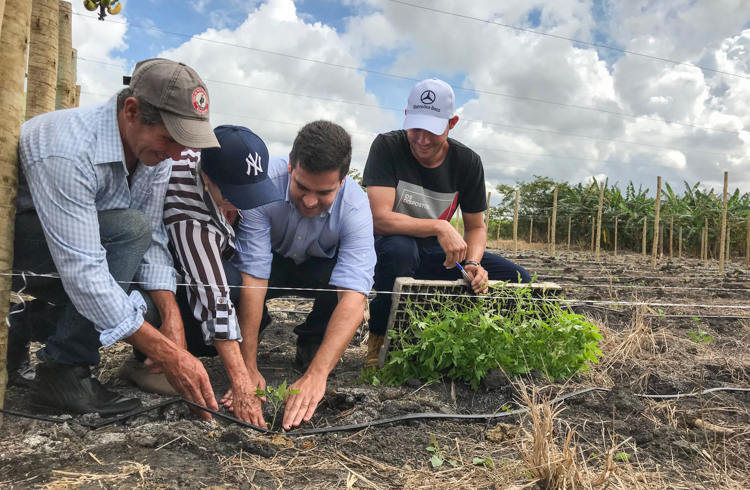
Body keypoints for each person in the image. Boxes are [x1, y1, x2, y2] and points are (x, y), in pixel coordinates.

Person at [7, 58, 221, 418]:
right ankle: (63, 372)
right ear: (132, 111)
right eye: (169, 138)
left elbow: (154, 238)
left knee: (149, 307)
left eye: (185, 142)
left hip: (71, 250)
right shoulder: (70, 148)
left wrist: (172, 321)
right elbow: (84, 271)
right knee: (129, 230)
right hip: (16, 244)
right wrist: (169, 355)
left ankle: (19, 323)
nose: (176, 154)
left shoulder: (155, 156)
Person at [119, 125, 283, 427]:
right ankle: (146, 361)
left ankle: (177, 353)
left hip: (171, 264)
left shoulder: (200, 157)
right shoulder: (187, 210)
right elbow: (213, 298)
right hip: (133, 270)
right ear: (207, 178)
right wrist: (241, 381)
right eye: (235, 194)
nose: (244, 202)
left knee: (234, 283)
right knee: (224, 289)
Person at [362, 78, 531, 368]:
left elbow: (476, 227)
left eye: (432, 130)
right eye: (415, 128)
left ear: (452, 123)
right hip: (388, 247)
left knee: (518, 279)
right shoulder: (387, 147)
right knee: (401, 251)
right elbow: (379, 219)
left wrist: (474, 263)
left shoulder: (467, 162)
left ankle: (474, 343)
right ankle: (380, 337)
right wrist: (439, 226)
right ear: (406, 116)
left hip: (435, 253)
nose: (422, 139)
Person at [221, 120, 376, 430]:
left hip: (320, 267)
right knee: (235, 280)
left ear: (342, 181)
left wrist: (317, 375)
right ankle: (252, 332)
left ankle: (312, 343)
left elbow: (354, 296)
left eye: (324, 192)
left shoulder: (356, 206)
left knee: (345, 279)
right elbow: (254, 276)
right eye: (302, 187)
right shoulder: (262, 185)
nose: (309, 201)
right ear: (291, 165)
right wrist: (247, 367)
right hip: (272, 262)